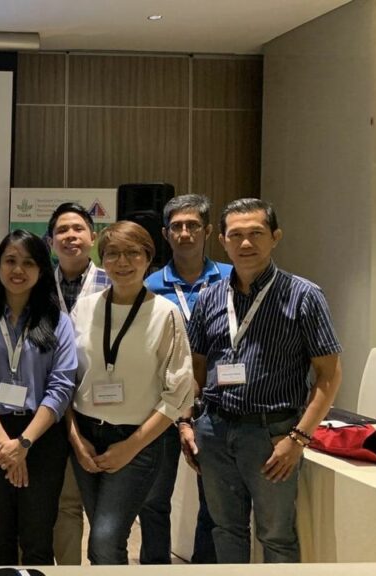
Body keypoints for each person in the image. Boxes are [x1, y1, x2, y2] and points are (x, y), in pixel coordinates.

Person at [182, 198, 342, 563]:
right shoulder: (209, 297)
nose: (245, 243)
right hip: (215, 430)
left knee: (276, 535)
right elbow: (196, 367)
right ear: (222, 241)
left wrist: (298, 438)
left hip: (273, 434)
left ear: (275, 237)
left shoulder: (304, 296)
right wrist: (188, 421)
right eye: (235, 235)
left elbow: (329, 375)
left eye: (256, 233)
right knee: (225, 529)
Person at [66, 220, 194, 565]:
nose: (122, 262)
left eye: (133, 253)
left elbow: (178, 392)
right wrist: (77, 440)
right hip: (87, 435)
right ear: (102, 259)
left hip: (138, 438)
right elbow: (65, 380)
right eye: (112, 254)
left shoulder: (165, 314)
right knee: (103, 540)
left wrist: (132, 446)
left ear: (148, 258)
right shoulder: (84, 308)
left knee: (105, 541)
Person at [0, 230, 77, 565]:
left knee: (37, 537)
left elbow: (61, 387)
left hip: (42, 436)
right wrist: (7, 445)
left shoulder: (58, 322)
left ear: (41, 269)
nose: (18, 270)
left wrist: (24, 443)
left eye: (28, 262)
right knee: (0, 535)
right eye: (10, 261)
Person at [142, 194, 231, 564]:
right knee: (153, 501)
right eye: (176, 226)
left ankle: (203, 569)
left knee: (213, 502)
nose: (184, 233)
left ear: (207, 231)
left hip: (216, 402)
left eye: (193, 225)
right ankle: (155, 569)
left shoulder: (230, 278)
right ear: (166, 234)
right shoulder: (149, 285)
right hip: (162, 404)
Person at [47, 201, 110, 565]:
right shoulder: (38, 285)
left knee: (104, 511)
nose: (70, 236)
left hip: (101, 408)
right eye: (61, 231)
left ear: (93, 237)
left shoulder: (113, 281)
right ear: (51, 242)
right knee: (65, 503)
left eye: (78, 229)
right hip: (51, 409)